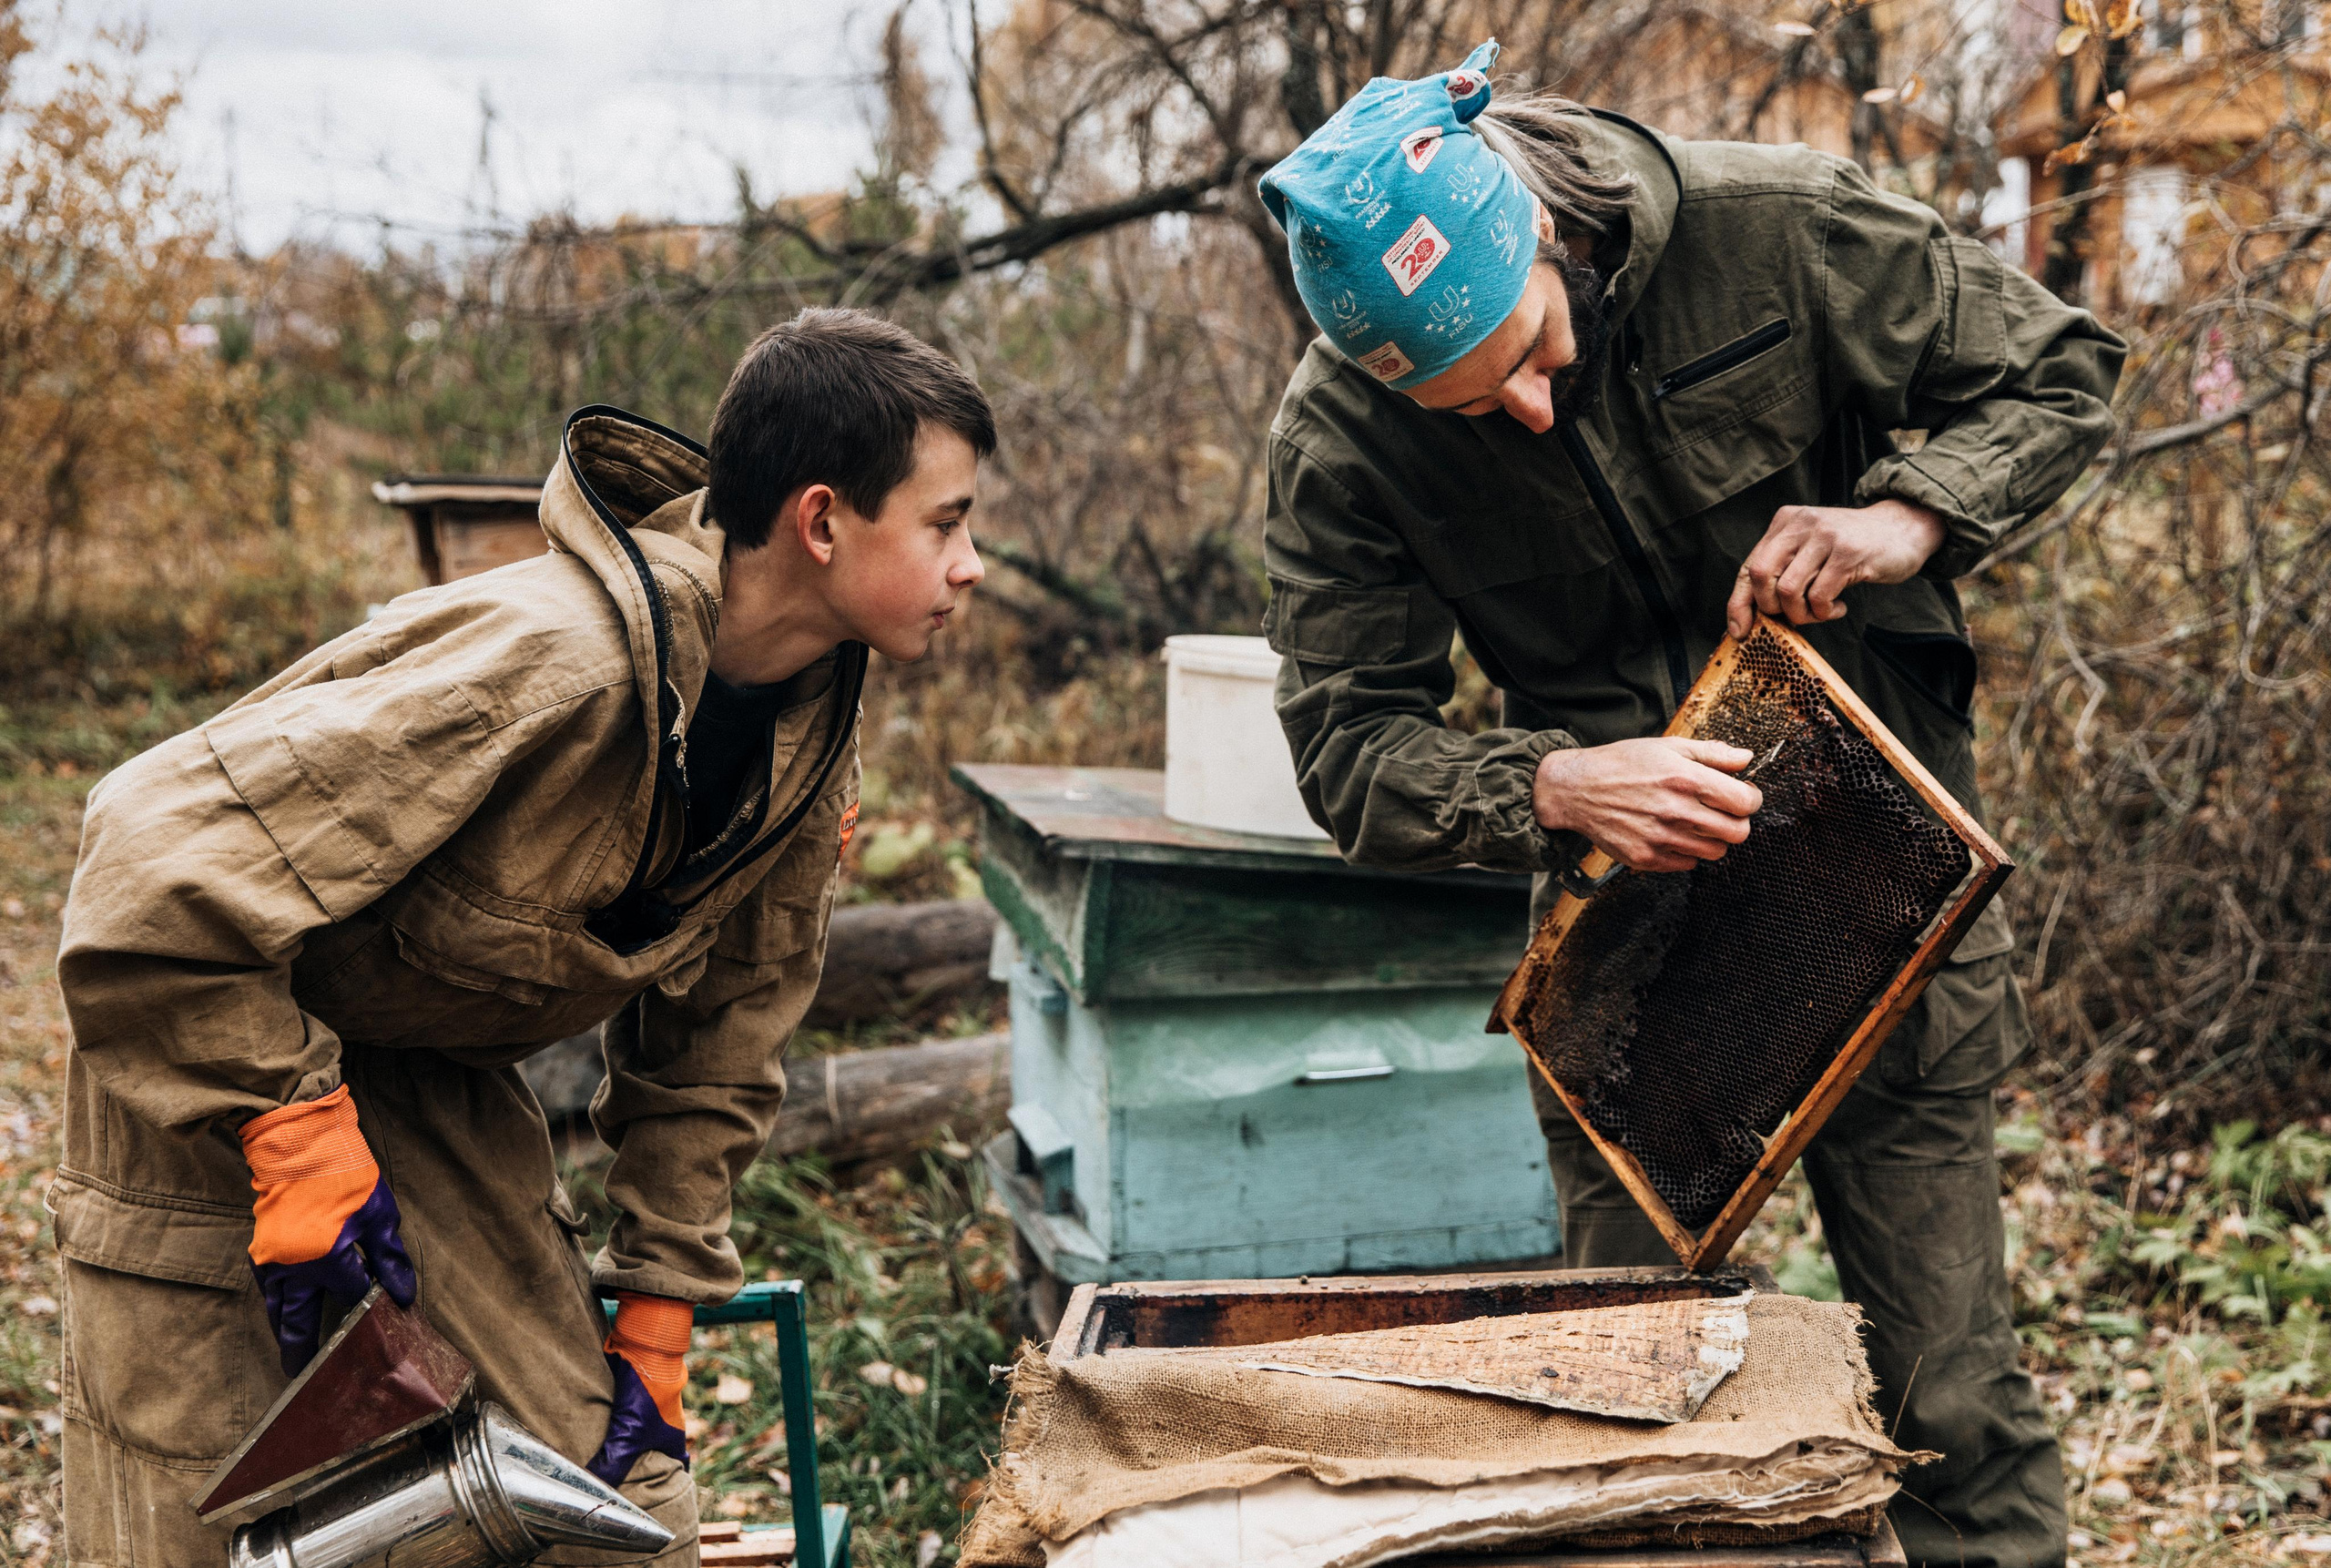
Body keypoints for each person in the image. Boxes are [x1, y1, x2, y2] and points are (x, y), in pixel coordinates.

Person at [1257, 42, 2122, 1568]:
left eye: (1527, 352)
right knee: (1635, 1424)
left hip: (1884, 893)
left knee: (1952, 1399)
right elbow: (1347, 747)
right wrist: (1551, 781)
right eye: (1473, 406)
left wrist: (1907, 514)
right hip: (1630, 961)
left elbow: (2061, 371)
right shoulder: (1341, 442)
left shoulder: (1778, 229)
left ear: (1540, 230)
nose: (1525, 410)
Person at [53, 307, 992, 1563]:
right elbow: (142, 851)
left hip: (431, 1091)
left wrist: (658, 1303)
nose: (975, 562)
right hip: (216, 1058)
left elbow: (721, 1042)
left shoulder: (805, 743)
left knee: (615, 1521)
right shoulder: (553, 665)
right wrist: (291, 1133)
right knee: (216, 1511)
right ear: (824, 522)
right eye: (949, 522)